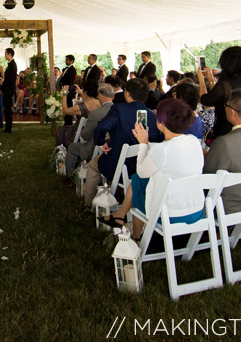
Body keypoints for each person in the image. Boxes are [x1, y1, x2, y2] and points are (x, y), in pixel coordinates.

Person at [101, 99, 205, 239]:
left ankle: (137, 237)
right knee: (139, 182)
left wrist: (143, 144)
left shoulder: (162, 150)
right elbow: (163, 151)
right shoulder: (193, 141)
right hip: (196, 209)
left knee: (138, 181)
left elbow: (142, 172)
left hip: (169, 213)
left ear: (161, 122)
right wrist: (147, 143)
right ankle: (120, 215)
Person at [86, 78, 150, 204]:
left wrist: (101, 142)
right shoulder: (152, 116)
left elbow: (101, 127)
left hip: (119, 166)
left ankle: (90, 202)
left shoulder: (119, 110)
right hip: (144, 168)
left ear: (127, 93)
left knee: (93, 165)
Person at [197, 46, 241, 139]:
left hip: (226, 132)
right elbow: (217, 95)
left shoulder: (225, 84)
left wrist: (201, 80)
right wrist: (211, 80)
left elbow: (205, 100)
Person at [65, 83, 114, 177]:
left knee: (72, 147)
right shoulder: (118, 111)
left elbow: (85, 135)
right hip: (113, 145)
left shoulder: (96, 114)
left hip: (96, 147)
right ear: (113, 96)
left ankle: (70, 176)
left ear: (100, 96)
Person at [57, 77, 101, 147]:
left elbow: (65, 111)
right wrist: (81, 92)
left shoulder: (82, 107)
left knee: (62, 130)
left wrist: (64, 94)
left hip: (80, 133)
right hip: (95, 132)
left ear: (86, 92)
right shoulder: (100, 103)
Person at [2, 48, 17, 133]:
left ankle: (9, 128)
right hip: (8, 89)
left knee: (8, 109)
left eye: (5, 53)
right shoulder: (10, 64)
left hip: (9, 90)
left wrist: (2, 88)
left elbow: (8, 80)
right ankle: (8, 127)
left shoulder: (12, 65)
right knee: (7, 109)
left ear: (9, 54)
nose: (5, 55)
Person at [60, 55, 78, 126]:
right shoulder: (64, 69)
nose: (65, 61)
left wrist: (66, 88)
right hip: (64, 88)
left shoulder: (72, 70)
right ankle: (66, 121)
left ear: (71, 61)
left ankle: (69, 122)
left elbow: (70, 80)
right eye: (65, 60)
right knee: (64, 104)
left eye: (67, 60)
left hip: (68, 90)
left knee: (68, 105)